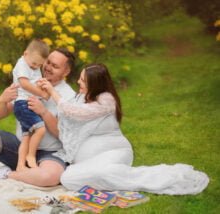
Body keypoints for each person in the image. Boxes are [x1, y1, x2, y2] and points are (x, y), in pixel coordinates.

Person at [40, 63, 209, 195]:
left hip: (115, 153)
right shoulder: (84, 97)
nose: (78, 82)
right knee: (69, 179)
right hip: (91, 159)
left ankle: (139, 177)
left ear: (96, 84)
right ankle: (110, 176)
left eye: (83, 80)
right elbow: (68, 114)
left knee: (74, 178)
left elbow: (74, 112)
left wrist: (53, 92)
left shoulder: (106, 100)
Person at [0, 48, 76, 198]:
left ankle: (6, 174)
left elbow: (64, 135)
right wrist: (3, 99)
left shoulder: (69, 96)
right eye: (48, 62)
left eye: (55, 66)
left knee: (50, 177)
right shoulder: (29, 82)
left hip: (50, 154)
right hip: (20, 149)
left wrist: (44, 112)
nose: (48, 68)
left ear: (66, 72)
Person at [12, 39, 50, 170]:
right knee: (41, 129)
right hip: (23, 104)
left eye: (39, 65)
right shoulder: (22, 64)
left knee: (26, 136)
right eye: (34, 63)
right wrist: (42, 93)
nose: (35, 66)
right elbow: (25, 84)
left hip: (26, 104)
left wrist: (40, 83)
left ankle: (20, 165)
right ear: (25, 53)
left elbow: (34, 81)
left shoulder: (33, 65)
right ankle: (31, 156)